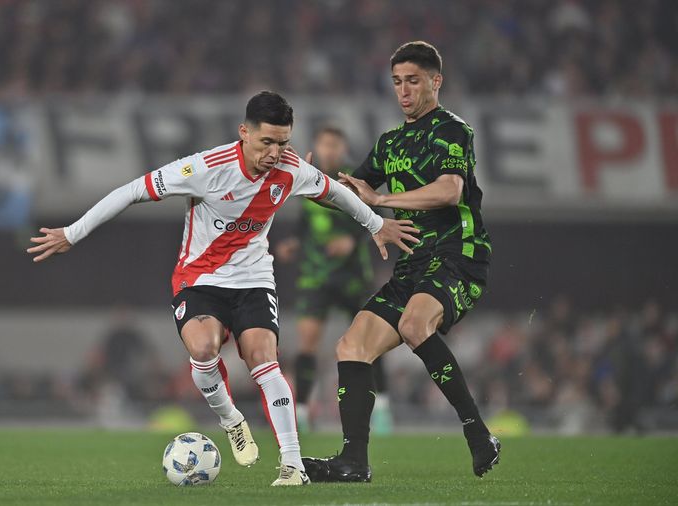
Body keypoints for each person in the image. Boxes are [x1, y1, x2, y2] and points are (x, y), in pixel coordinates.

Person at [27, 91, 419, 486]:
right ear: (244, 133)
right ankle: (231, 418)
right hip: (199, 278)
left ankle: (293, 464)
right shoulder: (205, 168)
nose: (275, 152)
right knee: (202, 348)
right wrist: (72, 234)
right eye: (267, 142)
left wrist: (376, 223)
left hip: (253, 279)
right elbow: (131, 191)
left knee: (264, 358)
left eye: (283, 142)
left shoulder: (291, 167)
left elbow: (334, 192)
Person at [302, 41, 500, 482]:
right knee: (350, 346)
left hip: (458, 255)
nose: (404, 91)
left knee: (414, 326)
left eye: (413, 81)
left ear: (436, 81)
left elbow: (450, 190)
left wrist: (382, 199)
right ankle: (353, 461)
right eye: (397, 82)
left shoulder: (452, 131)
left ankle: (477, 432)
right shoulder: (390, 142)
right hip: (412, 266)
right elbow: (354, 193)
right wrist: (310, 182)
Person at [275, 126, 392, 433]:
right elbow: (307, 221)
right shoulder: (308, 176)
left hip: (352, 275)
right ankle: (301, 412)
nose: (329, 150)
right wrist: (295, 242)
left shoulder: (354, 178)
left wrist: (353, 241)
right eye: (325, 144)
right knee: (307, 344)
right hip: (315, 276)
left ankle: (382, 408)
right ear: (317, 144)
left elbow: (372, 216)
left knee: (368, 341)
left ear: (343, 148)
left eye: (335, 145)